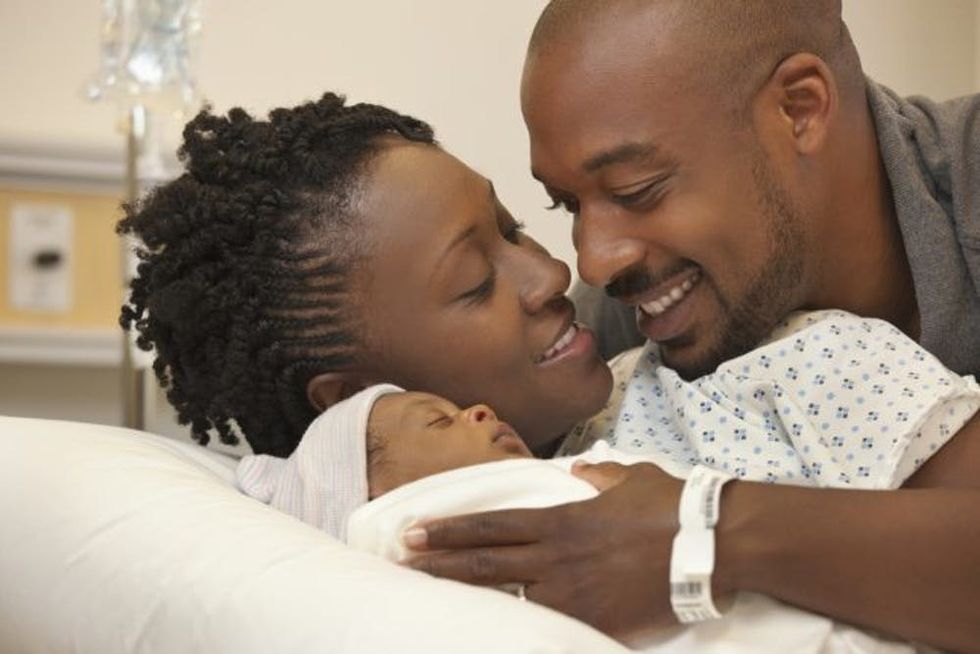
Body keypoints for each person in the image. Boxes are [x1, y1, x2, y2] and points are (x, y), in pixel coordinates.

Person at [402, 2, 980, 651]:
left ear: (800, 108)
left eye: (637, 189)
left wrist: (715, 533)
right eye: (566, 205)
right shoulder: (628, 333)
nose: (592, 261)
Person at [237, 307, 979, 651]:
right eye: (471, 284)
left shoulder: (806, 363)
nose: (564, 267)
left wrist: (707, 538)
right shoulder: (391, 553)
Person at [118, 92, 613, 461]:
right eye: (477, 283)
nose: (554, 272)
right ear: (355, 401)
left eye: (514, 230)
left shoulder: (654, 363)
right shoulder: (390, 572)